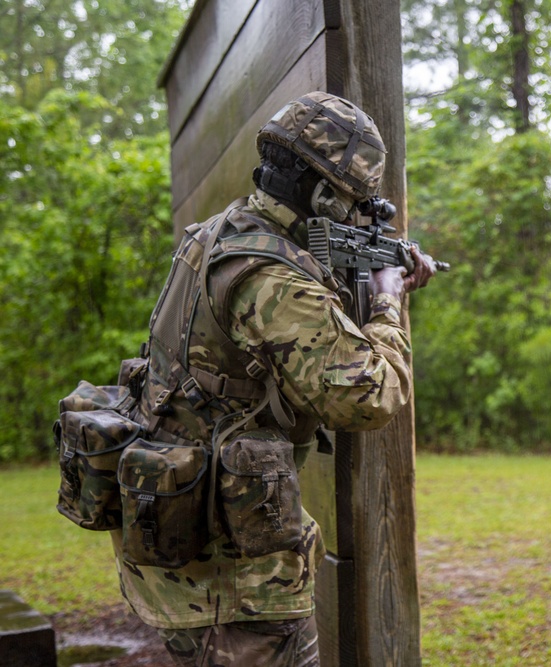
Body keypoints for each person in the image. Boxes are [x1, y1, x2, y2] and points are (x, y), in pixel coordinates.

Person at [113, 92, 436, 666]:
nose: (357, 211)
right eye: (351, 199)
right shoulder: (274, 279)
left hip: (176, 534)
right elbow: (369, 398)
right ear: (319, 193)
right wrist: (388, 303)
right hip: (234, 577)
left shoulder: (214, 235)